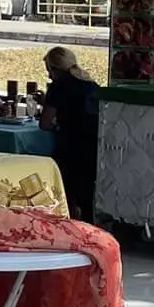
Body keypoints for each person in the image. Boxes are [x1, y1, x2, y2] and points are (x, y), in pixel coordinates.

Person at [38, 45, 100, 222]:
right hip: (92, 146)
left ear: (55, 69)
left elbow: (44, 123)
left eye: (49, 71)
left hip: (69, 148)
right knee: (87, 196)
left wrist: (58, 123)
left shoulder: (58, 87)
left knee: (66, 193)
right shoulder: (91, 85)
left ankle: (69, 226)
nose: (49, 76)